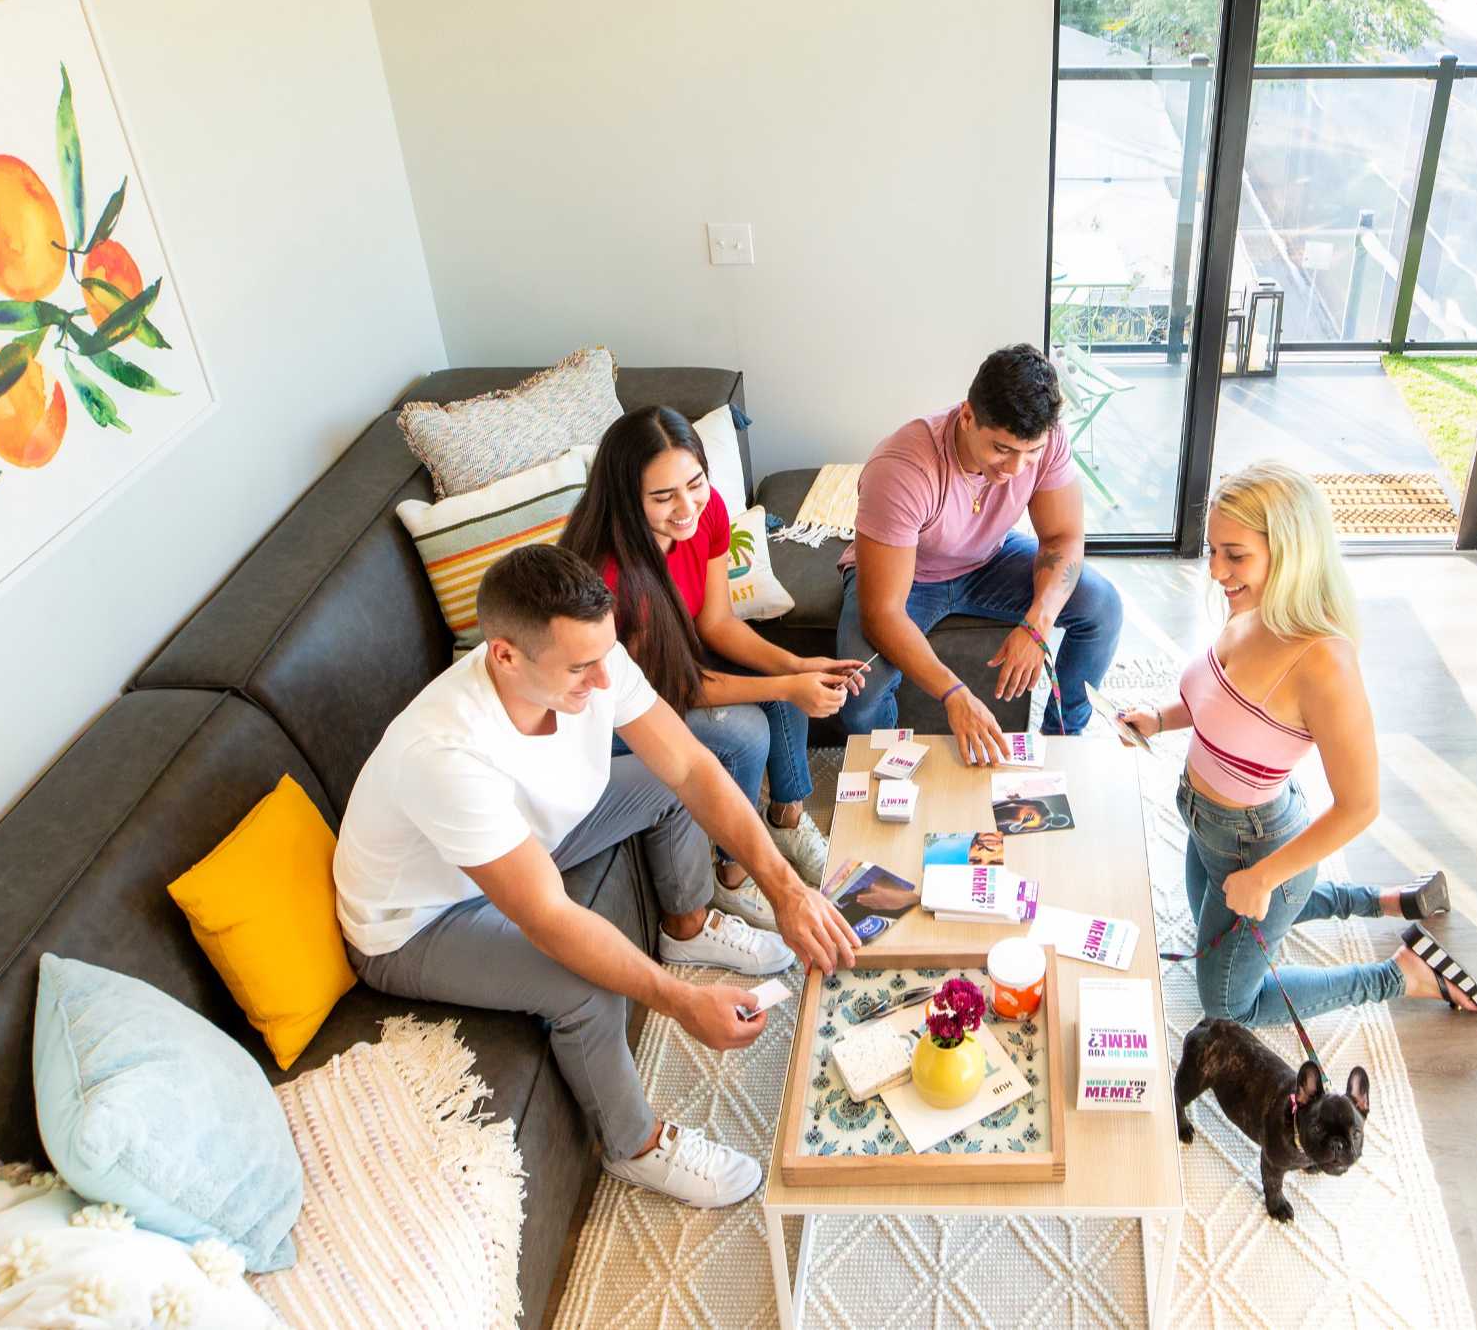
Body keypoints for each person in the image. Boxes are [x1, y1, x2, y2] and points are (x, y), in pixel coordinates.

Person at [335, 545, 862, 1209]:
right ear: (503, 655)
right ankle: (633, 1144)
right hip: (421, 921)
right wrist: (678, 1000)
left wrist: (789, 890)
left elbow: (692, 769)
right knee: (585, 987)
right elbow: (548, 917)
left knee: (669, 786)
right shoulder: (445, 753)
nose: (605, 682)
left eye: (603, 656)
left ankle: (688, 925)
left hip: (522, 843)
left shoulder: (591, 659)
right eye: (581, 668)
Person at [1119, 461, 1477, 1025]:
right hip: (1205, 826)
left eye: (1235, 555)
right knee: (1216, 922)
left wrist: (1265, 877)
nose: (1216, 570)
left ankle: (1403, 974)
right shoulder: (1251, 609)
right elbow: (1215, 703)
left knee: (1225, 1006)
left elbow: (1361, 806)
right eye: (1214, 550)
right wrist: (1160, 718)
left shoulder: (1323, 662)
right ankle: (1382, 901)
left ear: (1290, 551)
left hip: (1258, 846)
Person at [560, 406, 863, 923]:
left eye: (694, 483)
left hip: (672, 667)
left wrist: (796, 665)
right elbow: (672, 690)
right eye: (662, 497)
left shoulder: (708, 512)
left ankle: (787, 817)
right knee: (747, 732)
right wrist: (788, 685)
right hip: (614, 710)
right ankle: (732, 870)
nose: (686, 507)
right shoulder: (609, 576)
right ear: (627, 499)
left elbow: (717, 622)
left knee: (782, 683)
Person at [835, 344, 1122, 764]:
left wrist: (1038, 622)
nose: (1016, 469)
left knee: (1103, 605)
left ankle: (1064, 739)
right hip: (909, 576)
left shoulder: (1048, 439)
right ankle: (895, 767)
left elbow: (1062, 537)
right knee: (860, 693)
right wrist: (954, 693)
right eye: (1001, 449)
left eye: (1031, 453)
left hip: (988, 560)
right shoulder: (901, 468)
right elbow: (883, 613)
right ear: (967, 416)